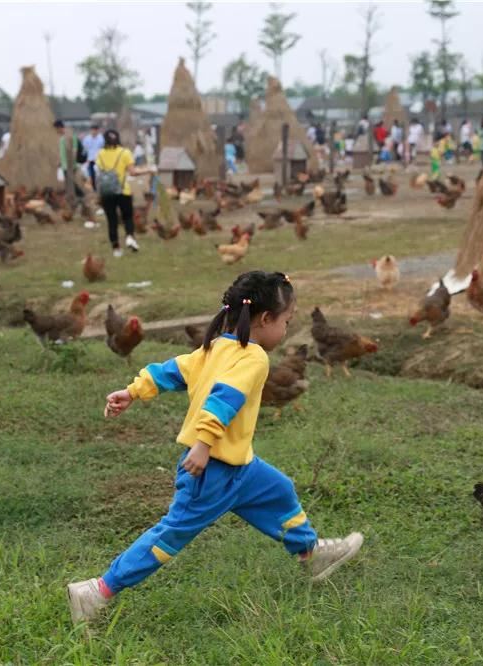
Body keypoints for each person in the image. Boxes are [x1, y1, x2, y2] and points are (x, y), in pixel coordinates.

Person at [66, 271, 364, 625]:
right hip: (211, 469)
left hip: (240, 467)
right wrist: (203, 444)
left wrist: (133, 391)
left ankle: (310, 553)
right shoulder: (253, 358)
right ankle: (97, 591)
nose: (286, 330)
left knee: (280, 489)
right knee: (171, 534)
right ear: (265, 319)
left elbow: (172, 370)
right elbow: (225, 399)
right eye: (286, 321)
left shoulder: (214, 348)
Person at [96, 129, 149, 258]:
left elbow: (100, 171)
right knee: (128, 217)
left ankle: (116, 248)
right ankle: (129, 237)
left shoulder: (100, 154)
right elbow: (132, 172)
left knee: (112, 220)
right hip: (123, 190)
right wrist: (147, 170)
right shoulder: (125, 153)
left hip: (107, 191)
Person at [81, 124, 105, 190]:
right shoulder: (87, 139)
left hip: (99, 159)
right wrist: (84, 159)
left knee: (100, 174)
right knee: (92, 175)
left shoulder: (102, 139)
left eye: (95, 130)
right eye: (92, 130)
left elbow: (104, 149)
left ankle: (101, 187)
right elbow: (84, 150)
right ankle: (94, 188)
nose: (94, 131)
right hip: (90, 160)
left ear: (98, 130)